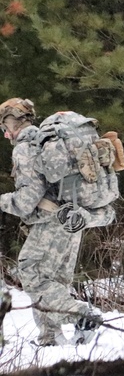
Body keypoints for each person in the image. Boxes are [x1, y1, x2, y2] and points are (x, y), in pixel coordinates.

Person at [0, 98, 106, 346]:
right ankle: (49, 338)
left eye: (4, 126)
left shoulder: (26, 148)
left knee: (33, 273)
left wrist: (3, 201)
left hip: (51, 222)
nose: (5, 135)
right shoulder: (46, 142)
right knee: (53, 281)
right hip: (71, 218)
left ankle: (82, 314)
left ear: (11, 122)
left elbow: (27, 200)